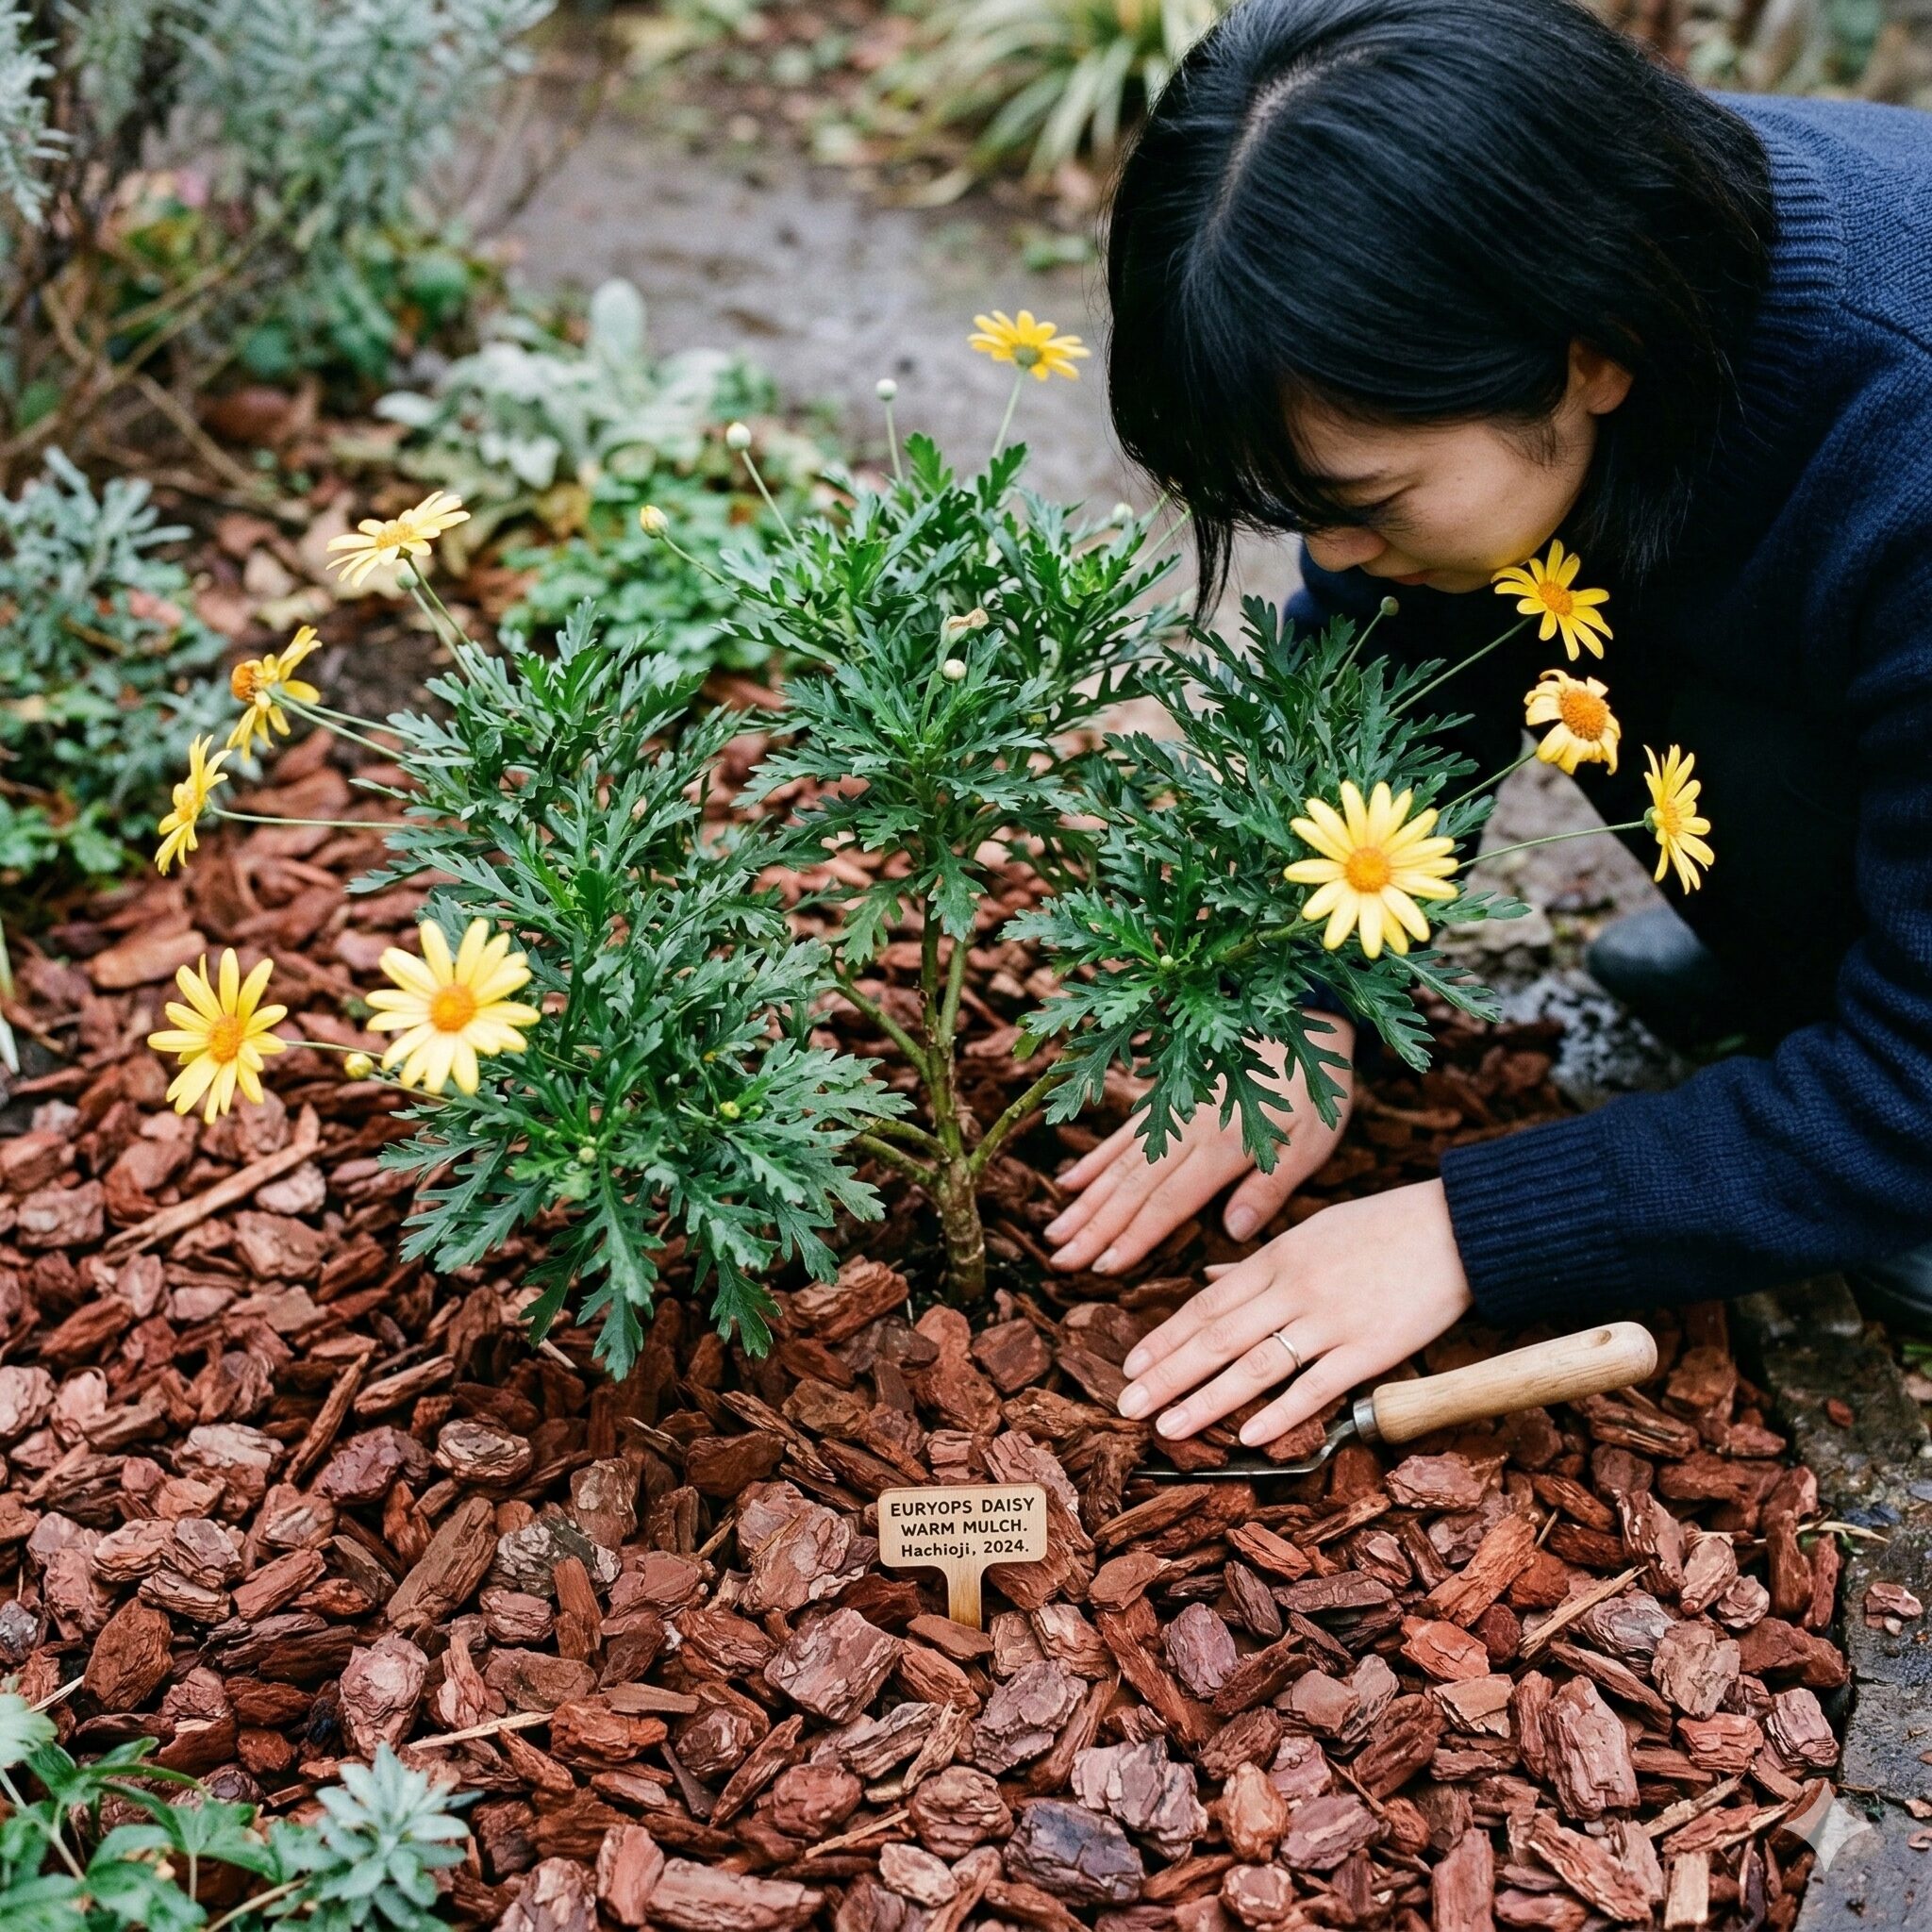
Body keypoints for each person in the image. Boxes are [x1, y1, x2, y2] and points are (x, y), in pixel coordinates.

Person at [1050, 0, 1932, 1452]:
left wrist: (1466, 1233)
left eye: (1367, 502)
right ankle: (1795, 953)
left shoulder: (1893, 427)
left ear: (1595, 352)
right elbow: (1398, 664)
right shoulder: (1567, 261)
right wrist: (1307, 988)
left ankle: (1826, 991)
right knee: (1492, 588)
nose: (1336, 553)